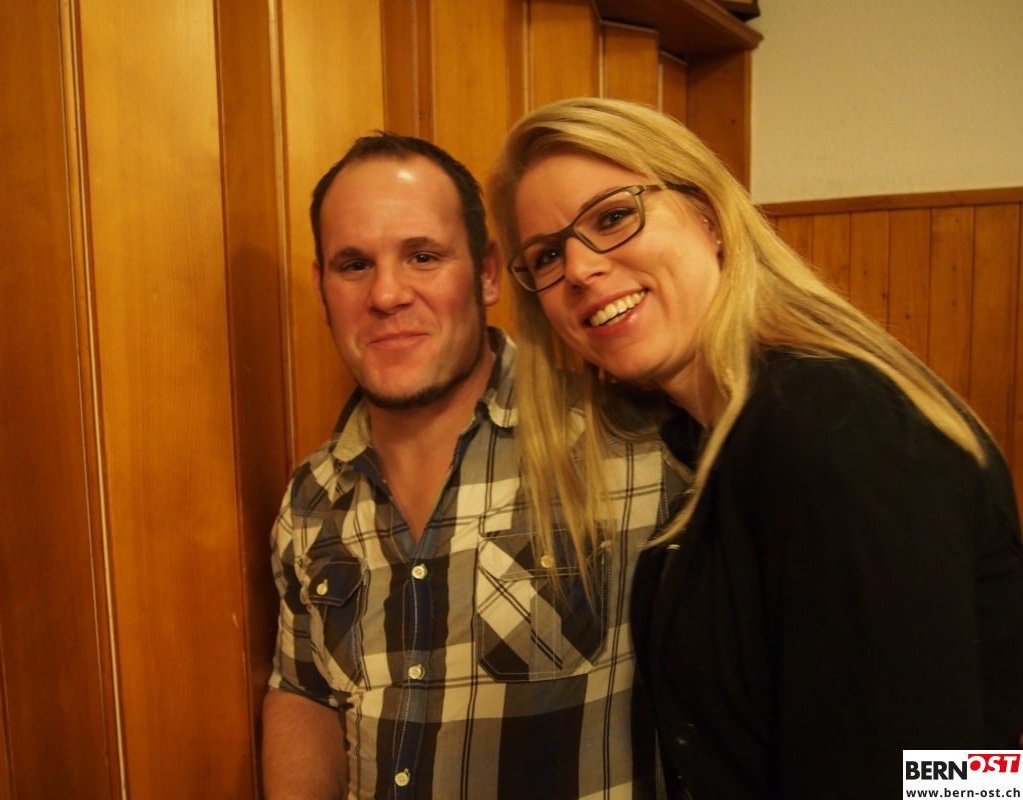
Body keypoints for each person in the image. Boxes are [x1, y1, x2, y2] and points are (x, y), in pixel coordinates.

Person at [488, 97, 1023, 799]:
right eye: (548, 256)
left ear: (709, 218)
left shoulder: (830, 424)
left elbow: (940, 771)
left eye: (612, 217)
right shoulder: (705, 431)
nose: (581, 269)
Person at [262, 131, 684, 799]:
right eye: (354, 265)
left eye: (423, 256)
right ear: (323, 289)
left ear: (487, 273)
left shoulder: (638, 445)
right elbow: (303, 690)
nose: (386, 294)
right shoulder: (310, 498)